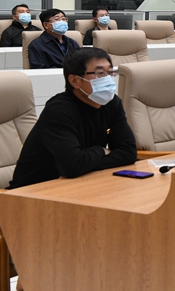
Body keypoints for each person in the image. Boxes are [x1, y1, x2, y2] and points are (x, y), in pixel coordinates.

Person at [9, 47, 137, 189]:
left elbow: (128, 152)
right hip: (32, 191)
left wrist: (86, 163)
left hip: (79, 184)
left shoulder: (112, 103)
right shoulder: (59, 110)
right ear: (75, 81)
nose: (108, 79)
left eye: (111, 72)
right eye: (100, 73)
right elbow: (72, 165)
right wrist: (101, 151)